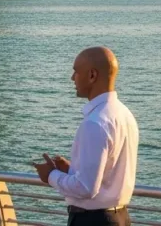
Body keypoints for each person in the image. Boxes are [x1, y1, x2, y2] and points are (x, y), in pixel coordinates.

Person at [33, 47, 139, 226]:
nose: (72, 78)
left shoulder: (95, 122)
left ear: (92, 75)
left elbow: (86, 188)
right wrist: (73, 170)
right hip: (120, 217)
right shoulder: (125, 115)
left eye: (76, 71)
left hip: (93, 220)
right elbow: (107, 174)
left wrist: (50, 175)